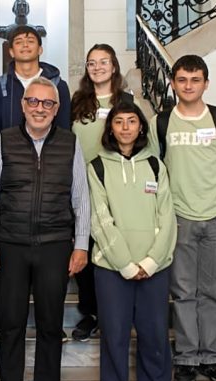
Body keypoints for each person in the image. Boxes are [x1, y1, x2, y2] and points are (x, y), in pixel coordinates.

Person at [0, 77, 90, 381]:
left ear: (57, 109)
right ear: (23, 105)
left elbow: (81, 198)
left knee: (50, 325)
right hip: (10, 245)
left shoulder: (70, 144)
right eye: (33, 101)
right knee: (10, 323)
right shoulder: (3, 140)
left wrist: (81, 245)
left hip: (55, 245)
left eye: (47, 103)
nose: (40, 108)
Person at [0, 24, 73, 343]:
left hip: (49, 181)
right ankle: (0, 314)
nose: (26, 45)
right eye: (19, 41)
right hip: (10, 180)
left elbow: (65, 133)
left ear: (41, 48)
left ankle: (52, 322)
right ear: (10, 50)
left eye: (31, 40)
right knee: (5, 259)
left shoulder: (58, 85)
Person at [155, 54, 216, 381]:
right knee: (183, 291)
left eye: (195, 80)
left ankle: (209, 356)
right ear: (173, 83)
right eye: (182, 80)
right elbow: (153, 170)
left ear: (206, 83)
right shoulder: (161, 122)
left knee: (211, 291)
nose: (188, 85)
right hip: (179, 216)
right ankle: (186, 357)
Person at [88, 102, 176, 381]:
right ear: (110, 128)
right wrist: (125, 264)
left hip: (155, 267)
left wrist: (151, 261)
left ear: (141, 127)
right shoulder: (97, 167)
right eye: (119, 122)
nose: (125, 127)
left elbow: (167, 216)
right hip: (112, 269)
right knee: (115, 335)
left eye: (132, 121)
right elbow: (100, 219)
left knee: (154, 334)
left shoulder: (155, 165)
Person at [70, 43, 134, 343]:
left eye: (103, 62)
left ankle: (117, 310)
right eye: (91, 63)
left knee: (114, 246)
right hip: (82, 186)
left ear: (114, 66)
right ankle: (90, 312)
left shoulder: (126, 100)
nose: (97, 68)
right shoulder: (77, 102)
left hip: (116, 187)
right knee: (85, 247)